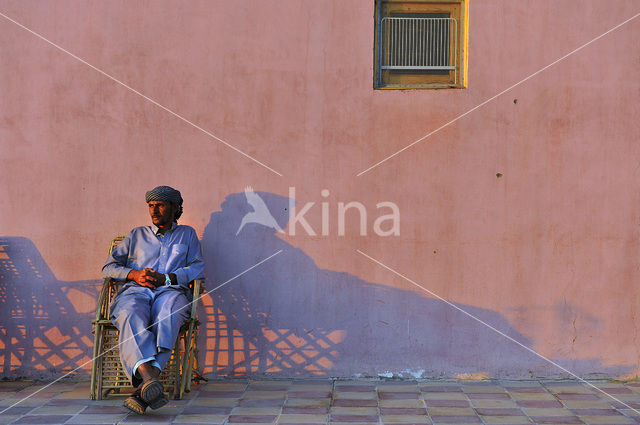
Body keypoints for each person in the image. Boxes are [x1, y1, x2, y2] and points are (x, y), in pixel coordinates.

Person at [102, 185, 204, 415]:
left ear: (175, 208)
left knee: (168, 315)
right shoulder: (136, 235)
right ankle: (150, 379)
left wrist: (167, 278)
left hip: (171, 292)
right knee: (130, 313)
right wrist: (134, 274)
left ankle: (144, 387)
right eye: (151, 206)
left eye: (160, 205)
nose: (154, 210)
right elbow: (108, 267)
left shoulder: (187, 234)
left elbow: (197, 267)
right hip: (136, 291)